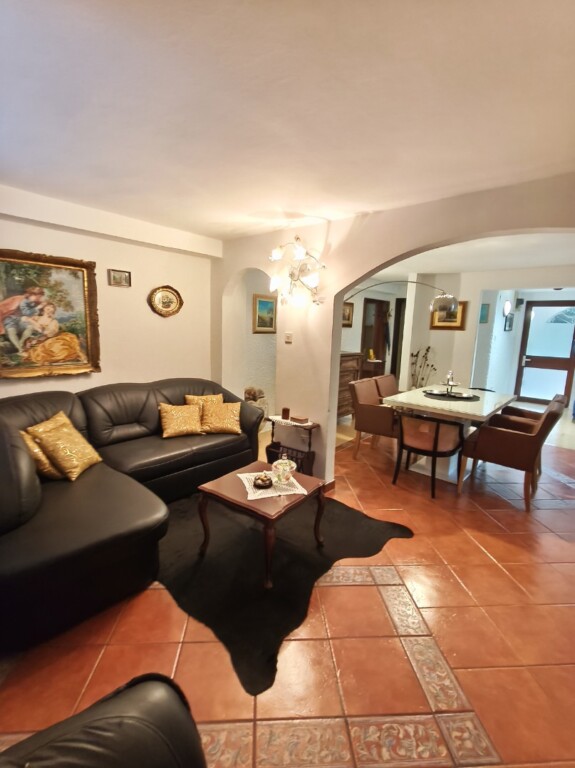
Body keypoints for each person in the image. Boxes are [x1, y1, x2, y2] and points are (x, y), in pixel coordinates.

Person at [0, 286, 46, 352]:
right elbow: (26, 312)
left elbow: (33, 316)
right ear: (31, 294)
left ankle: (21, 343)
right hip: (10, 320)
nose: (38, 298)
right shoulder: (23, 301)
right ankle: (19, 348)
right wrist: (37, 308)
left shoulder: (35, 303)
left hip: (21, 322)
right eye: (37, 296)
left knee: (30, 327)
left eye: (40, 296)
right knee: (11, 331)